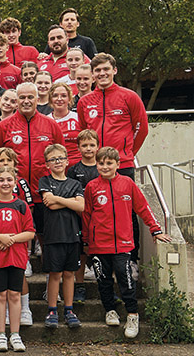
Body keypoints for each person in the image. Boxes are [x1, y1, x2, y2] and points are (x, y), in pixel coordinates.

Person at [83, 147, 169, 339]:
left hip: (123, 244)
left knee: (125, 278)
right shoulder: (91, 187)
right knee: (103, 280)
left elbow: (143, 207)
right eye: (101, 163)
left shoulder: (127, 183)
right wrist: (86, 240)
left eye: (109, 163)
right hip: (98, 245)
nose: (105, 167)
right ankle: (110, 311)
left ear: (118, 165)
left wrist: (155, 229)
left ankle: (132, 314)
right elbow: (87, 215)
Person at [0, 170, 35, 352]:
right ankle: (0, 334)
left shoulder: (21, 205)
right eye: (1, 180)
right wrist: (0, 237)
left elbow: (30, 232)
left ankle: (15, 334)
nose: (5, 183)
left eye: (9, 180)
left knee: (14, 295)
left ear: (15, 182)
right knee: (0, 295)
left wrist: (10, 239)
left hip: (16, 256)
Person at [37, 144, 86, 331]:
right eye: (53, 159)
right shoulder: (44, 181)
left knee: (69, 274)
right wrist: (70, 201)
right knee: (55, 274)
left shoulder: (75, 184)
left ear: (67, 161)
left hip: (72, 235)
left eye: (60, 158)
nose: (57, 162)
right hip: (53, 236)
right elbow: (50, 204)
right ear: (47, 164)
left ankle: (69, 310)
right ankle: (52, 311)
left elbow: (81, 206)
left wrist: (58, 199)